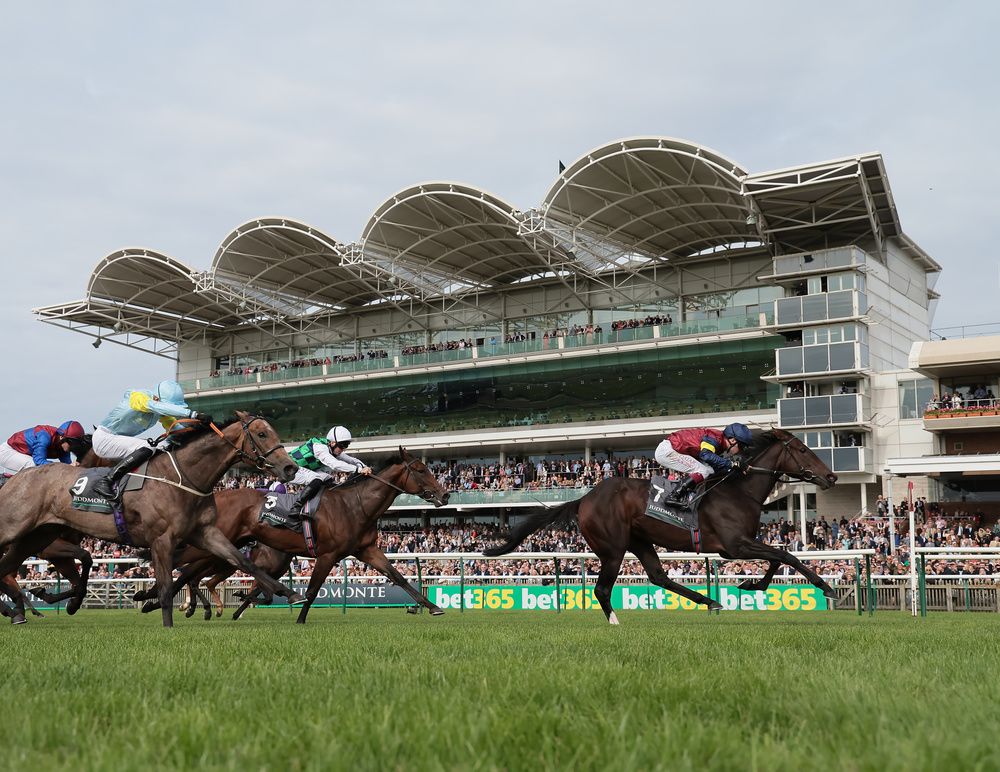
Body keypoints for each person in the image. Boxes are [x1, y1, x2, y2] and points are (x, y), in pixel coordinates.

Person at [91, 380, 205, 501]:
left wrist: (200, 432)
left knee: (162, 447)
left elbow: (175, 428)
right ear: (156, 398)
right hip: (104, 439)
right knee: (148, 445)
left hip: (117, 440)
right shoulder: (139, 397)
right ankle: (106, 481)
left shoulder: (157, 408)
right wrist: (192, 414)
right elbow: (154, 406)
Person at [655, 422, 752, 505]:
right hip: (667, 451)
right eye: (742, 446)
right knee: (703, 470)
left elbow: (715, 465)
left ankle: (689, 494)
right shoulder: (714, 438)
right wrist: (731, 464)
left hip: (674, 449)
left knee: (709, 470)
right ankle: (674, 496)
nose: (741, 450)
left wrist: (735, 468)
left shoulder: (719, 441)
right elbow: (705, 455)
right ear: (733, 440)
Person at [286, 426, 372, 520]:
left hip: (302, 469)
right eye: (342, 446)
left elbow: (351, 460)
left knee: (328, 478)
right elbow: (335, 464)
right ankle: (296, 508)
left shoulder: (332, 448)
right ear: (332, 442)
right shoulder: (320, 448)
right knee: (317, 479)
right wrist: (359, 470)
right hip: (290, 469)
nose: (343, 449)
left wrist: (364, 466)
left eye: (346, 446)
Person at [0, 420, 87, 475]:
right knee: (33, 465)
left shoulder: (63, 446)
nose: (74, 447)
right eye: (72, 443)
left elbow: (67, 466)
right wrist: (62, 466)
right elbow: (39, 461)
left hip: (25, 455)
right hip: (7, 451)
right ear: (62, 437)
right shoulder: (44, 437)